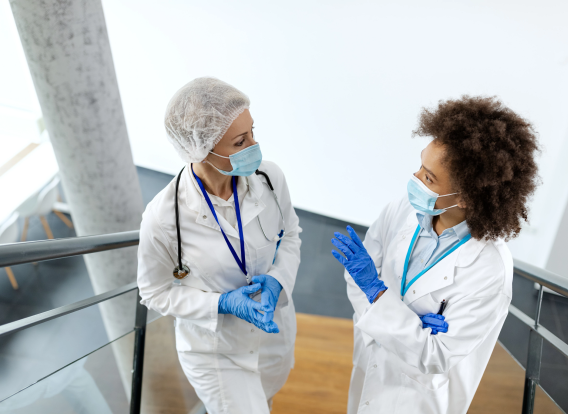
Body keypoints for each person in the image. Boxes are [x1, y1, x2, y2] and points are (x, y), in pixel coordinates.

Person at [331, 96, 540, 414]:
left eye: (429, 178)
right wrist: (396, 315)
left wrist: (378, 295)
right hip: (371, 363)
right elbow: (359, 274)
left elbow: (437, 355)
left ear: (468, 198)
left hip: (417, 398)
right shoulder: (405, 208)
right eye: (420, 167)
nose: (415, 181)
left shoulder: (489, 269)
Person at [137, 77, 301, 414]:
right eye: (241, 141)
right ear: (200, 148)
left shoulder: (269, 179)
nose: (255, 147)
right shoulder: (164, 218)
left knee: (266, 401)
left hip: (272, 338)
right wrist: (222, 304)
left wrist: (279, 280)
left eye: (253, 133)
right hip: (216, 354)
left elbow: (292, 235)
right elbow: (153, 292)